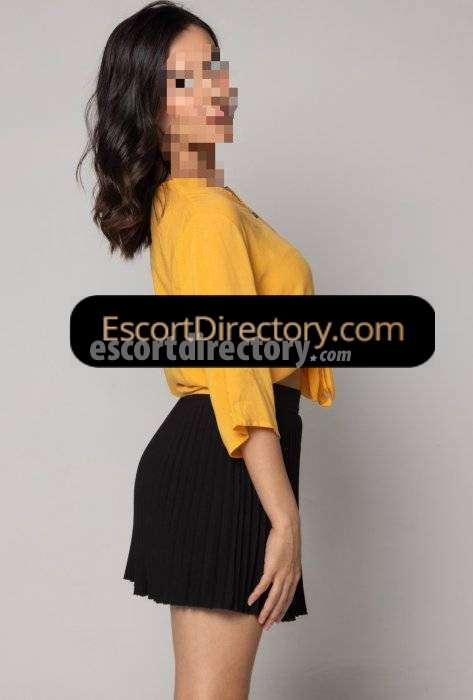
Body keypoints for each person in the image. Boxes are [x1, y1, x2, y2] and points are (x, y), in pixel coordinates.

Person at [76, 2, 335, 697]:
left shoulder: (192, 201)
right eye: (183, 82)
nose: (214, 90)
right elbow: (237, 370)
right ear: (150, 106)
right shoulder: (206, 212)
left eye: (214, 69)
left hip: (227, 450)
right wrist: (285, 516)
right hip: (230, 454)